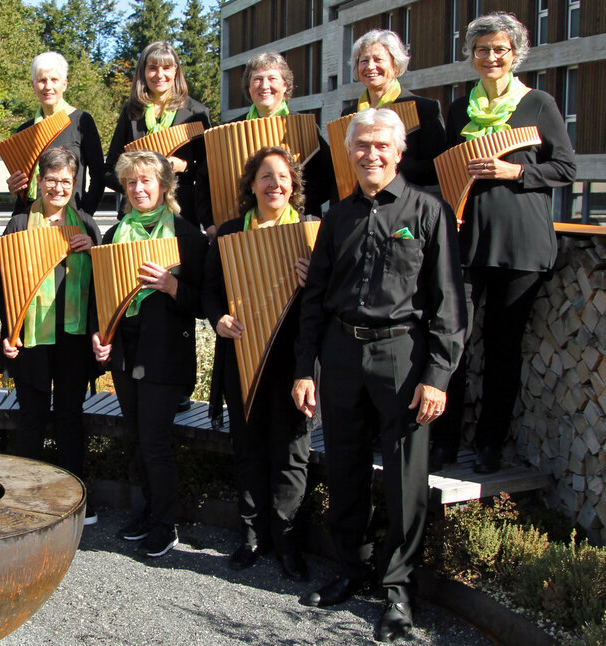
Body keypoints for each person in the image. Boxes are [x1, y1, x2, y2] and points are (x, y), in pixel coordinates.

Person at [291, 109, 465, 642]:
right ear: (349, 153)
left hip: (403, 359)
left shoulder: (429, 211)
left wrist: (437, 376)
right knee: (344, 467)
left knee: (405, 478)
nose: (370, 153)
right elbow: (315, 299)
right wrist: (305, 370)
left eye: (380, 145)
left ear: (398, 150)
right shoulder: (336, 217)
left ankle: (397, 587)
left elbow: (450, 304)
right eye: (360, 145)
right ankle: (353, 565)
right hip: (342, 354)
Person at [430, 12, 577, 474]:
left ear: (515, 54)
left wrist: (516, 171)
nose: (490, 57)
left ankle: (491, 444)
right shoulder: (458, 110)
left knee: (502, 348)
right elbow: (446, 171)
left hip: (521, 244)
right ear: (471, 56)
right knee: (452, 341)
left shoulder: (538, 104)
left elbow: (566, 169)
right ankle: (445, 442)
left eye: (499, 49)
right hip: (466, 240)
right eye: (481, 50)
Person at [202, 147, 312, 579]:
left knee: (290, 451)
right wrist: (219, 318)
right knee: (247, 448)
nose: (274, 184)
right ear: (251, 185)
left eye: (283, 176)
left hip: (293, 359)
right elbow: (210, 291)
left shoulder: (308, 232)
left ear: (294, 185)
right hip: (243, 353)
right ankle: (252, 535)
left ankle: (287, 541)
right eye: (265, 176)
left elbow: (329, 301)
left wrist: (314, 280)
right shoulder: (230, 233)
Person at [92, 150, 208, 558]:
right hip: (126, 352)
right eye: (131, 183)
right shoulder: (114, 235)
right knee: (137, 437)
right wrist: (99, 333)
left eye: (146, 181)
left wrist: (173, 287)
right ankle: (147, 511)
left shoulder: (186, 236)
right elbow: (102, 296)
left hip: (164, 354)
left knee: (156, 441)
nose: (139, 189)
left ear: (164, 185)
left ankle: (165, 523)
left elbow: (206, 302)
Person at [0, 147, 100, 524]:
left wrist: (95, 250)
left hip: (72, 336)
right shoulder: (20, 223)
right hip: (32, 335)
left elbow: (104, 283)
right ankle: (26, 496)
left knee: (71, 414)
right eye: (51, 179)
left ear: (75, 184)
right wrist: (9, 330)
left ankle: (74, 497)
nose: (58, 187)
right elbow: (2, 282)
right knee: (32, 416)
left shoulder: (86, 224)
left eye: (66, 181)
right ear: (39, 181)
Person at [104, 42, 212, 235]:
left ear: (176, 72)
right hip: (136, 216)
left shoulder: (196, 113)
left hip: (181, 214)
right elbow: (110, 168)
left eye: (166, 68)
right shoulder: (131, 113)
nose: (159, 74)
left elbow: (210, 170)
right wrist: (136, 184)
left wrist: (184, 167)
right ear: (143, 72)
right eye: (152, 68)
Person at [230, 51, 335, 212]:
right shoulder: (230, 130)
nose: (264, 86)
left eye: (272, 78)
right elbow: (207, 180)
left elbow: (329, 178)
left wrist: (292, 200)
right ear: (248, 87)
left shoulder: (305, 127)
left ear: (285, 85)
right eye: (257, 79)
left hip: (297, 220)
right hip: (245, 220)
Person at [5, 52, 105, 216]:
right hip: (29, 215)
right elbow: (22, 183)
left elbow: (98, 175)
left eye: (54, 80)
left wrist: (85, 213)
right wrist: (14, 188)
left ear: (64, 84)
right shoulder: (24, 130)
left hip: (71, 215)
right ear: (33, 85)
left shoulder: (82, 121)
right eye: (42, 80)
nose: (48, 86)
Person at [343, 29, 445, 188]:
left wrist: (385, 164)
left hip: (406, 202)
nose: (370, 66)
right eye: (364, 61)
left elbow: (438, 168)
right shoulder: (349, 114)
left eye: (378, 59)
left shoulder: (422, 109)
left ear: (395, 65)